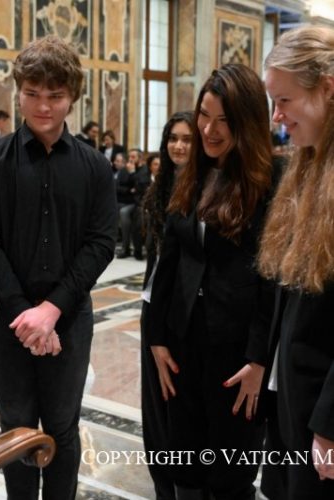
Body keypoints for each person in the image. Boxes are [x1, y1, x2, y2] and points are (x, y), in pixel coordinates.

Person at [0, 35, 117, 500]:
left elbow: (100, 244)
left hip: (67, 319)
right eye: (31, 94)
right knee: (16, 431)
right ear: (18, 93)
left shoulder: (94, 166)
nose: (43, 106)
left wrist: (51, 310)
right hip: (8, 321)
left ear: (73, 96)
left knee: (64, 429)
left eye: (55, 95)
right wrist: (25, 315)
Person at [147, 64, 274, 500]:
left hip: (236, 356)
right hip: (183, 344)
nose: (209, 129)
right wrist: (156, 338)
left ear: (246, 122)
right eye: (204, 114)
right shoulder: (192, 174)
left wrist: (259, 360)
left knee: (229, 475)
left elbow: (270, 280)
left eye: (223, 120)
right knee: (184, 465)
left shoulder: (267, 183)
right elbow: (169, 261)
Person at [258, 25, 334, 499]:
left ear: (327, 89)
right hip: (290, 395)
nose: (277, 116)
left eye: (284, 100)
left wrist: (329, 425)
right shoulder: (307, 163)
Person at [140, 111, 193, 500]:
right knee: (154, 403)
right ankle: (163, 482)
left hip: (186, 311)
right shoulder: (159, 189)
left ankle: (184, 479)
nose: (178, 146)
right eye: (173, 138)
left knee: (179, 396)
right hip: (152, 304)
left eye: (187, 139)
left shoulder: (207, 188)